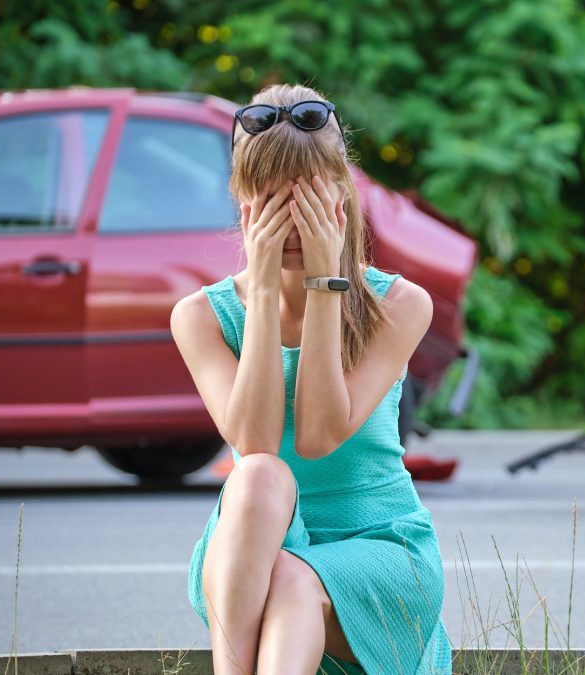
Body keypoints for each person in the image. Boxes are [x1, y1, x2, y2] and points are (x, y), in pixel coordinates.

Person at [170, 83, 451, 675]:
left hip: (380, 549)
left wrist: (326, 288)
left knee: (297, 581)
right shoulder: (200, 317)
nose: (293, 224)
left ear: (340, 198)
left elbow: (320, 436)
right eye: (274, 201)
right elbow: (257, 442)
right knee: (257, 478)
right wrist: (265, 292)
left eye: (307, 200)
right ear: (243, 204)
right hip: (249, 559)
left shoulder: (400, 305)